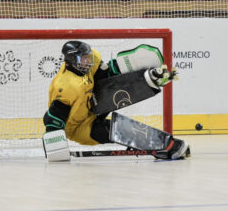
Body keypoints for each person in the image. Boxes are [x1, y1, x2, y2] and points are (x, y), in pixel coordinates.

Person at [43, 41, 188, 160]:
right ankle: (168, 145)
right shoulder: (65, 86)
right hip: (79, 127)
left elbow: (107, 74)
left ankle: (151, 79)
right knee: (117, 130)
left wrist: (143, 76)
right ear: (71, 61)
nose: (88, 62)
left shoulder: (89, 62)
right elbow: (53, 119)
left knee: (115, 82)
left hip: (94, 103)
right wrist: (54, 148)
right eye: (83, 59)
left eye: (88, 58)